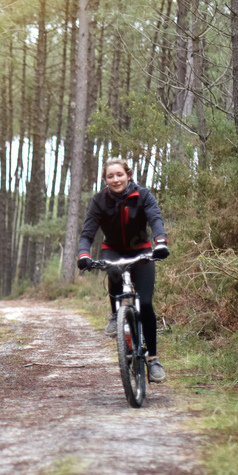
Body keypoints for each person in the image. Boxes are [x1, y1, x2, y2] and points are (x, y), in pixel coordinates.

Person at [76, 157, 170, 382]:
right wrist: (83, 253)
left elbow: (155, 220)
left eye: (119, 174)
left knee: (145, 303)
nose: (115, 179)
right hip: (114, 250)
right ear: (105, 180)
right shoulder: (99, 200)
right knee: (113, 271)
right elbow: (89, 229)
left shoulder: (143, 195)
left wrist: (161, 242)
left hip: (142, 251)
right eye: (110, 176)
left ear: (128, 175)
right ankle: (115, 313)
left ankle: (153, 359)